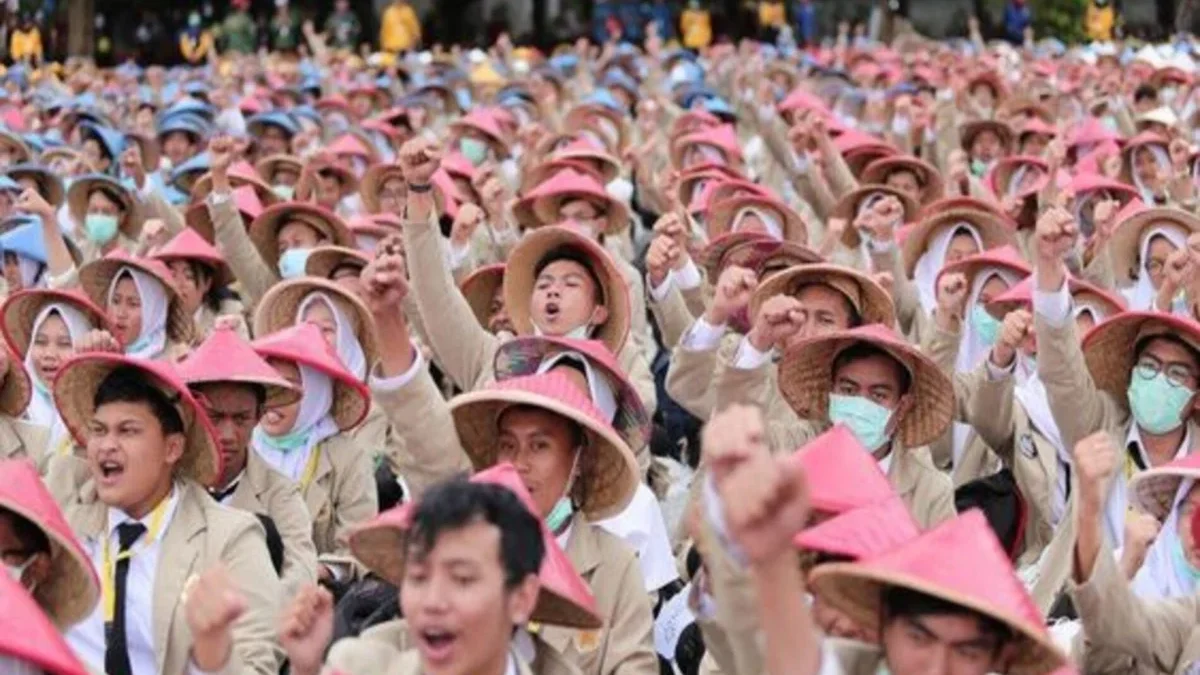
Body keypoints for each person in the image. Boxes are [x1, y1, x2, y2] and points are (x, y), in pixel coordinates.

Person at [49, 353, 281, 674]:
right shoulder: (60, 519)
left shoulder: (229, 539)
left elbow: (258, 665)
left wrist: (213, 653)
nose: (107, 445)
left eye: (127, 431)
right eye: (99, 431)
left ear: (172, 448)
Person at [279, 471, 553, 675]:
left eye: (462, 579)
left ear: (521, 598)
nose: (433, 601)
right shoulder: (360, 668)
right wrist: (306, 667)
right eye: (419, 577)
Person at [176, 325, 319, 595]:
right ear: (191, 414)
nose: (228, 435)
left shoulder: (280, 493)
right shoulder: (165, 481)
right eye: (215, 418)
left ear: (258, 416)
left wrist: (258, 611)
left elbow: (301, 572)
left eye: (241, 419)